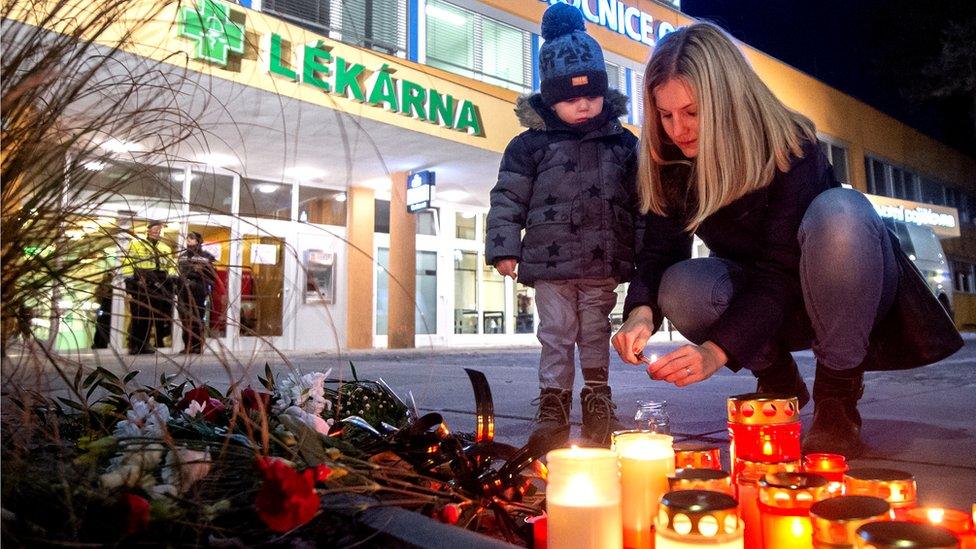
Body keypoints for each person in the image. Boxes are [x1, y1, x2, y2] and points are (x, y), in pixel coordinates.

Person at [612, 22, 961, 458]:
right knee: (679, 284)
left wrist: (717, 352)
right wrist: (641, 312)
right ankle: (779, 381)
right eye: (665, 115)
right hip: (765, 305)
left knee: (841, 212)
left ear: (726, 101)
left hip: (839, 291)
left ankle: (837, 397)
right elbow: (661, 252)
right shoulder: (673, 161)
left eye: (693, 112)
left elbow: (780, 271)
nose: (678, 129)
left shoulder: (789, 145)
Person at [485, 3, 640, 446]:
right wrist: (504, 246)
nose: (584, 106)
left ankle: (596, 401)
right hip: (551, 269)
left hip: (600, 264)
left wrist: (642, 254)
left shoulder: (621, 144)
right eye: (572, 99)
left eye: (591, 96)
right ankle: (553, 405)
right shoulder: (530, 146)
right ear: (550, 99)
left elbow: (640, 202)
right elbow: (508, 195)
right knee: (555, 335)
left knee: (595, 331)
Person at [122, 221, 176, 354]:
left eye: (159, 230)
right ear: (148, 230)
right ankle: (135, 345)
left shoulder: (166, 248)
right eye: (155, 229)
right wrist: (131, 282)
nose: (157, 232)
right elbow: (128, 263)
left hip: (158, 285)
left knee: (151, 316)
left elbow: (171, 267)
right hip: (141, 283)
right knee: (139, 316)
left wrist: (170, 282)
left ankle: (145, 344)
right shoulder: (136, 245)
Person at [177, 231, 216, 354]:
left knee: (197, 318)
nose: (189, 240)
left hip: (198, 291)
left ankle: (197, 346)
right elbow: (180, 272)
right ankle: (188, 345)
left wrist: (199, 272)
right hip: (184, 291)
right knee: (185, 318)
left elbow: (212, 275)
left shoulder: (206, 257)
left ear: (198, 241)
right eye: (188, 238)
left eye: (192, 238)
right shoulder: (182, 256)